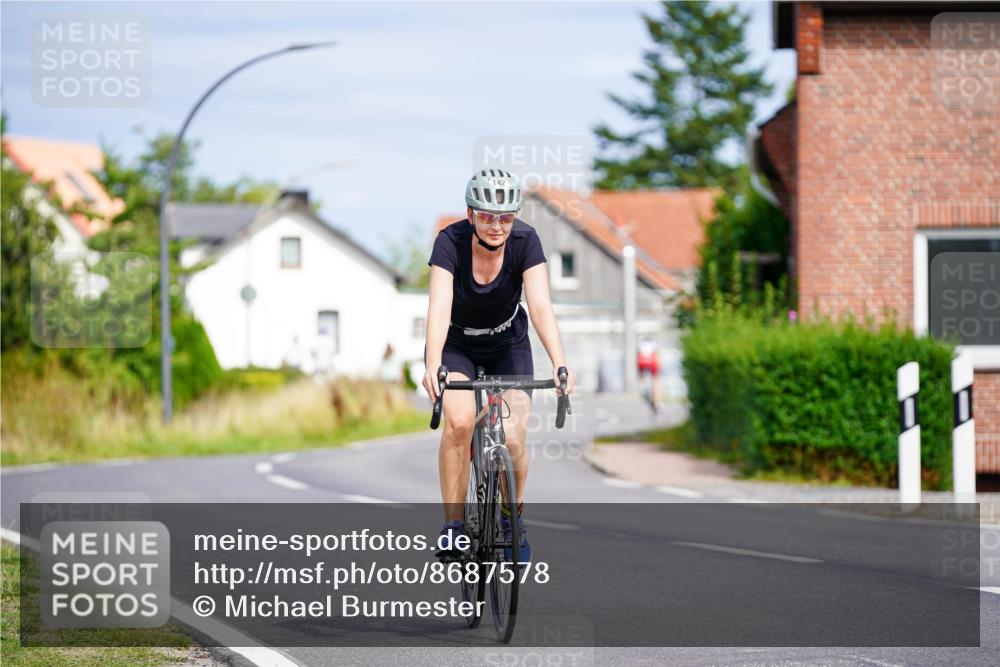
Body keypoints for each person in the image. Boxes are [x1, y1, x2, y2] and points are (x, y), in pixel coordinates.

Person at [423, 169, 575, 562]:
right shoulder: (449, 243)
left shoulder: (526, 241)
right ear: (471, 213)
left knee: (512, 436)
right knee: (458, 422)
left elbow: (540, 306)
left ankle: (512, 518)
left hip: (509, 344)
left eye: (506, 216)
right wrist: (432, 365)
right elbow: (438, 309)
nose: (497, 225)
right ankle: (454, 527)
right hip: (459, 345)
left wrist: (560, 364)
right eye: (488, 215)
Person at [637, 337, 661, 414]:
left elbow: (638, 355)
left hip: (642, 362)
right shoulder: (654, 344)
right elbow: (657, 355)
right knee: (655, 381)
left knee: (641, 376)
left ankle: (643, 389)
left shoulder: (641, 344)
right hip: (653, 362)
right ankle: (657, 401)